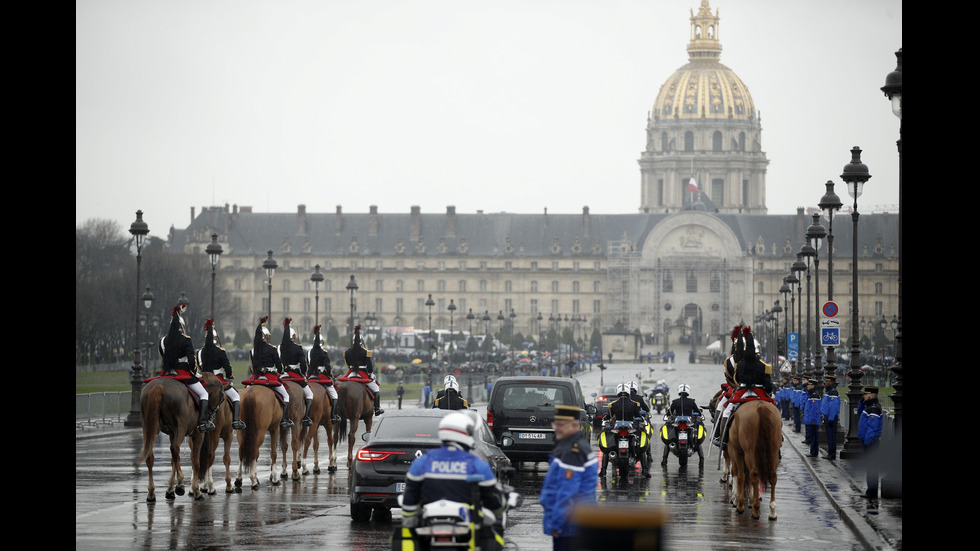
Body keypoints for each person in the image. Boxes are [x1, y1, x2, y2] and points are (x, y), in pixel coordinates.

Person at [399, 412, 505, 550]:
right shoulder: (477, 464)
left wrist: (409, 522)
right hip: (467, 529)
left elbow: (410, 498)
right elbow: (492, 499)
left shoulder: (422, 462)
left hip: (427, 528)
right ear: (465, 435)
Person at [540, 404, 598, 551]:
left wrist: (557, 523)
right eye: (556, 424)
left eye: (562, 425)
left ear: (574, 425)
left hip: (570, 523)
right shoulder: (572, 446)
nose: (557, 428)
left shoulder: (572, 451)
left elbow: (567, 491)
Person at [158, 303, 214, 433]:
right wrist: (193, 372)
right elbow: (191, 361)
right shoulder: (185, 340)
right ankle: (202, 422)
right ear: (182, 327)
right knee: (204, 394)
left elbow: (162, 356)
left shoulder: (163, 341)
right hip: (182, 373)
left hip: (166, 373)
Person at [244, 316, 293, 429]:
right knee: (286, 396)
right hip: (270, 378)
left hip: (256, 378)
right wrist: (280, 370)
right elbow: (278, 366)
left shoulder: (252, 351)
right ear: (265, 337)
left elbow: (253, 366)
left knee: (244, 393)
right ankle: (284, 420)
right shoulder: (272, 349)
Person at [197, 318, 246, 429]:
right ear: (216, 339)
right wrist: (229, 376)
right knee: (236, 397)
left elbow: (199, 367)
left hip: (204, 381)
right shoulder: (220, 351)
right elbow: (227, 368)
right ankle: (236, 421)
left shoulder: (199, 352)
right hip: (218, 380)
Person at [600, 383, 643, 477]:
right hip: (630, 429)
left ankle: (603, 470)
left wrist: (605, 419)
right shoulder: (634, 404)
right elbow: (638, 416)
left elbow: (609, 416)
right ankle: (645, 470)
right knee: (641, 447)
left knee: (608, 448)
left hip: (616, 429)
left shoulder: (613, 405)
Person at [341, 324, 384, 415]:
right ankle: (377, 408)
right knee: (376, 389)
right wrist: (370, 373)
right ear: (362, 341)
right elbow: (369, 366)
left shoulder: (347, 352)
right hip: (363, 374)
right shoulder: (365, 352)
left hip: (351, 373)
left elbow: (348, 364)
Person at [279, 318, 314, 427]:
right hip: (295, 374)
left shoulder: (279, 348)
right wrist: (303, 373)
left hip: (282, 374)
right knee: (310, 395)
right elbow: (303, 364)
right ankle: (306, 418)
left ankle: (283, 417)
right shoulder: (298, 348)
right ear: (293, 337)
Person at [663, 383, 705, 467]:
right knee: (697, 442)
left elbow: (668, 413)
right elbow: (698, 412)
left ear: (679, 391)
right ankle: (701, 460)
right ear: (688, 392)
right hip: (689, 425)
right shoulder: (691, 402)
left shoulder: (675, 402)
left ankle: (664, 459)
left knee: (669, 442)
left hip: (677, 425)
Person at [307, 325, 341, 423]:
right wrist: (329, 373)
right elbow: (327, 366)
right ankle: (333, 416)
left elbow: (308, 364)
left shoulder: (309, 352)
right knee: (335, 396)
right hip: (322, 377)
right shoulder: (323, 352)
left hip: (311, 376)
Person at [857, 386, 884, 499]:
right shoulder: (868, 406)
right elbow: (859, 412)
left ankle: (872, 492)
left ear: (871, 395)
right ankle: (870, 491)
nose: (864, 395)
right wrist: (861, 402)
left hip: (871, 443)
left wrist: (867, 442)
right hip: (867, 441)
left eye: (866, 394)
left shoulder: (874, 408)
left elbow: (872, 428)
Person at [820, 374, 841, 460]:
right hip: (828, 416)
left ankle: (832, 454)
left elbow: (833, 406)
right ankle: (830, 453)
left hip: (830, 417)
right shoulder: (829, 391)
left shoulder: (832, 392)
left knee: (831, 436)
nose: (826, 383)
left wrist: (831, 418)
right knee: (829, 435)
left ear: (831, 382)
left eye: (827, 381)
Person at [802, 378, 822, 457]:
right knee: (813, 435)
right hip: (812, 419)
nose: (808, 386)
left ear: (812, 386)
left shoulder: (814, 395)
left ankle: (814, 452)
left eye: (809, 385)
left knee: (814, 436)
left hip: (813, 420)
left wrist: (812, 420)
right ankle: (813, 451)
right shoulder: (811, 394)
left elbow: (814, 409)